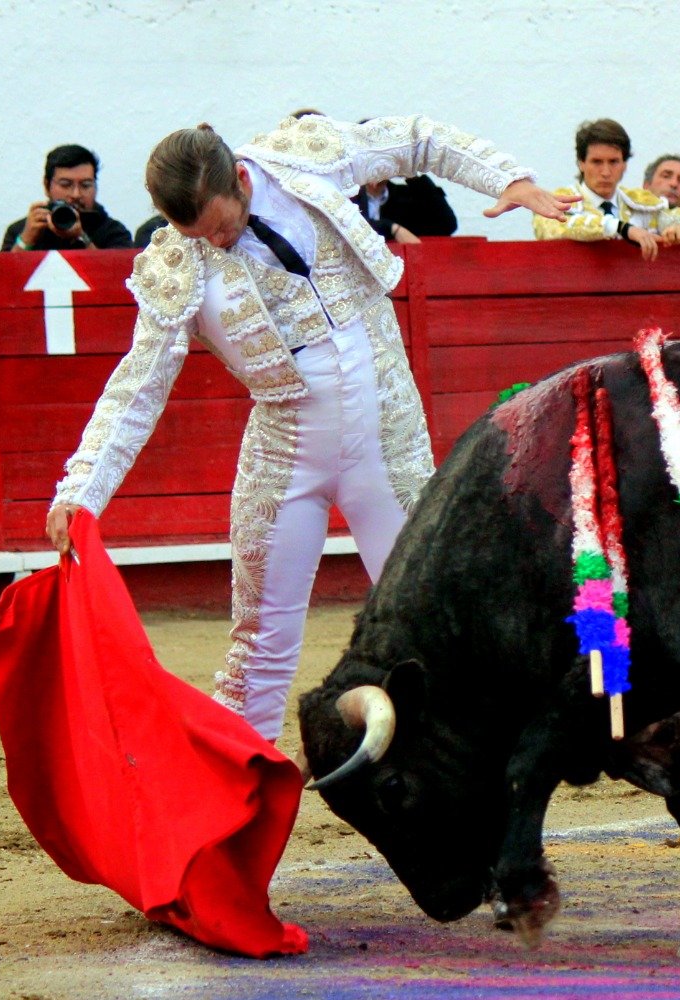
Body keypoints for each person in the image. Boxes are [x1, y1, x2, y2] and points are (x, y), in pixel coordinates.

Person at [43, 113, 576, 740]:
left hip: (386, 436)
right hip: (285, 452)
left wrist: (507, 179)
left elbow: (416, 139)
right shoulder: (177, 263)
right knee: (259, 642)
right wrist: (81, 490)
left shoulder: (301, 156)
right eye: (197, 235)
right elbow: (138, 386)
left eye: (221, 226)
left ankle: (478, 771)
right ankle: (241, 792)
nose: (215, 244)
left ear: (242, 180)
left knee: (439, 619)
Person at [532, 118, 680, 260]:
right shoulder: (557, 201)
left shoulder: (640, 202)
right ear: (581, 163)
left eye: (613, 162)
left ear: (624, 165)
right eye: (597, 162)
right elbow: (551, 228)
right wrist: (622, 228)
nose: (606, 172)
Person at [1, 144, 136, 252]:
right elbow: (3, 275)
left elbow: (115, 273)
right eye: (66, 185)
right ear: (47, 186)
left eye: (85, 185)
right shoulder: (21, 230)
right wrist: (26, 240)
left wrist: (81, 237)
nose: (76, 194)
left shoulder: (114, 232)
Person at [353, 174, 458, 243]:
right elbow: (353, 228)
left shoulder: (404, 196)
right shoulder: (349, 195)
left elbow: (447, 225)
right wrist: (390, 227)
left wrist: (410, 175)